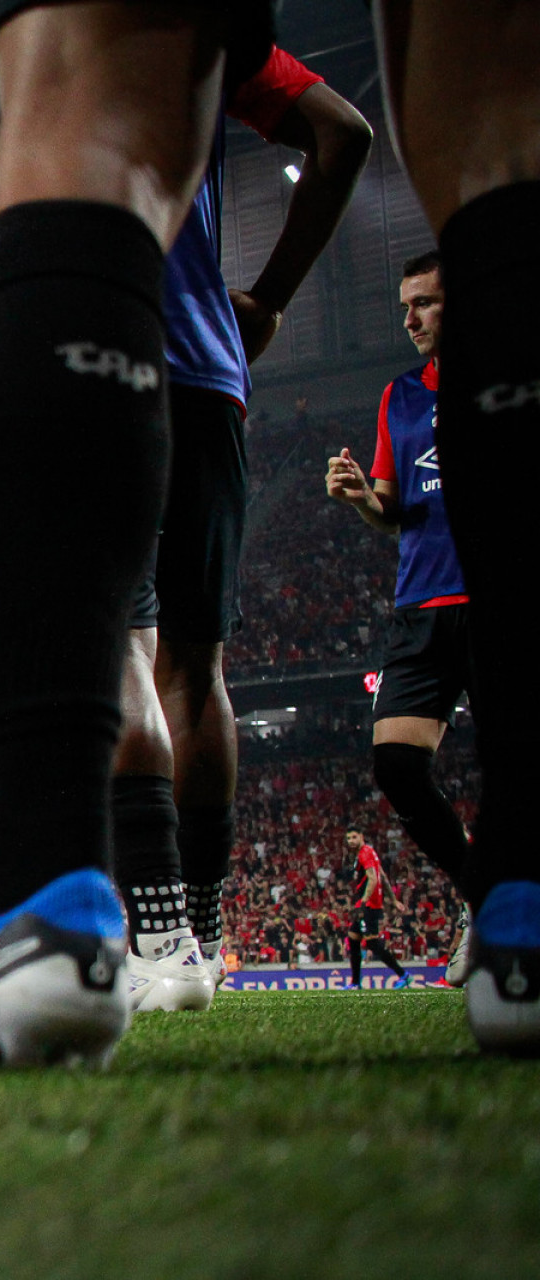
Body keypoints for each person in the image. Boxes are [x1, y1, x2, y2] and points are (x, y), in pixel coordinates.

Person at [0, 0, 369, 1019]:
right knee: (200, 666)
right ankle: (206, 934)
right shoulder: (188, 24)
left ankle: (157, 934)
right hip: (210, 375)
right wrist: (266, 298)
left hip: (73, 334)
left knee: (119, 648)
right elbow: (343, 132)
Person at [325, 251, 475, 980]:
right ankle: (488, 899)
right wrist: (360, 495)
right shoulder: (402, 397)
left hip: (492, 600)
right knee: (395, 765)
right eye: (404, 306)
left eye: (425, 304)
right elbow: (393, 510)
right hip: (420, 607)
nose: (410, 319)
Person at [344, 829, 410, 990]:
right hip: (369, 904)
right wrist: (394, 900)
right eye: (348, 838)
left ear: (362, 836)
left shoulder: (364, 854)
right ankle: (355, 983)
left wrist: (363, 903)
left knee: (372, 943)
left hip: (368, 906)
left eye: (354, 837)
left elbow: (373, 879)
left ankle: (403, 974)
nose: (351, 841)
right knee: (353, 938)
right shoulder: (371, 852)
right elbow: (383, 877)